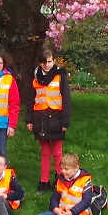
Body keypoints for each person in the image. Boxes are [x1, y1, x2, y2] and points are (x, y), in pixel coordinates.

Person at [8, 152, 94, 215]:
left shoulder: (85, 181)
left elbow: (86, 201)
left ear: (76, 168)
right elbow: (54, 198)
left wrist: (71, 212)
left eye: (66, 169)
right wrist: (56, 209)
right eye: (61, 168)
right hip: (61, 211)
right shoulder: (60, 180)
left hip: (77, 213)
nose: (63, 172)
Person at [26, 48, 71, 194]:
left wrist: (65, 122)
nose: (47, 65)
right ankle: (43, 182)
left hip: (56, 119)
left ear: (54, 61)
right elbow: (31, 100)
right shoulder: (35, 78)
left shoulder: (60, 76)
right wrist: (29, 120)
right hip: (40, 119)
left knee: (57, 152)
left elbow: (66, 100)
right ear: (40, 63)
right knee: (45, 152)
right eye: (44, 62)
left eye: (49, 62)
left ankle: (59, 180)